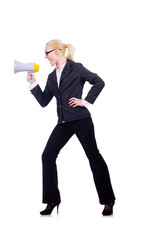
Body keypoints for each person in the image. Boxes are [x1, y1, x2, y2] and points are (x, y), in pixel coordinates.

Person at [27, 39, 115, 216]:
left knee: (93, 157)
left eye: (47, 53)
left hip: (81, 119)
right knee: (48, 155)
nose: (45, 57)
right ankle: (52, 200)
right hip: (64, 123)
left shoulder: (76, 68)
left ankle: (108, 200)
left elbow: (99, 82)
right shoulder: (52, 77)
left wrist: (86, 102)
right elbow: (44, 101)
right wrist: (33, 83)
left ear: (57, 52)